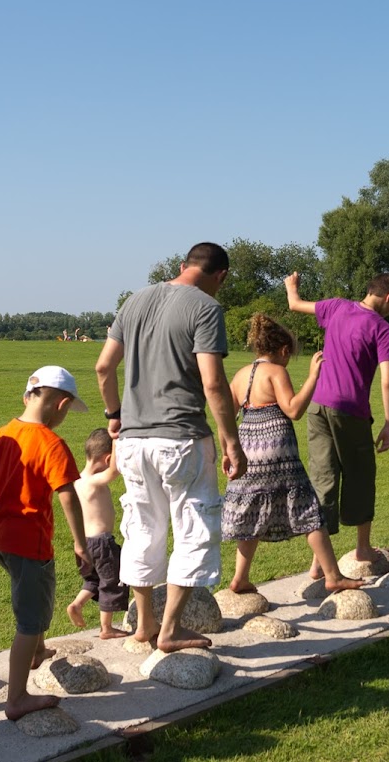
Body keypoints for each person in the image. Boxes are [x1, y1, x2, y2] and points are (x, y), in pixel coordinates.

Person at [96, 242, 246, 654]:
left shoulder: (135, 300)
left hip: (133, 441)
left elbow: (103, 366)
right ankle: (171, 630)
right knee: (194, 530)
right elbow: (213, 383)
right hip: (181, 439)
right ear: (221, 276)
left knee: (142, 530)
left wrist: (115, 412)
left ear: (182, 266)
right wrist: (231, 441)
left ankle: (144, 625)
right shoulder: (205, 307)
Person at [0, 365, 89, 720]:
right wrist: (81, 544)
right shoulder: (51, 443)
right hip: (30, 542)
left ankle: (38, 650)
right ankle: (17, 697)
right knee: (31, 613)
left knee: (28, 594)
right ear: (61, 404)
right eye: (68, 410)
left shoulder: (3, 432)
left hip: (1, 538)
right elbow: (68, 496)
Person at [222, 314, 364, 593]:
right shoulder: (276, 372)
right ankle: (332, 575)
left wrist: (228, 449)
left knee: (252, 510)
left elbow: (225, 415)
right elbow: (294, 410)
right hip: (276, 446)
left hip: (247, 447)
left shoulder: (240, 375)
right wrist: (313, 377)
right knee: (307, 508)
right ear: (284, 350)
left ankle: (240, 577)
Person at [284, 270, 389, 571]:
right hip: (351, 410)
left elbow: (295, 304)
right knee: (361, 474)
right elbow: (387, 380)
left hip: (318, 405)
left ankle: (318, 562)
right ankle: (362, 548)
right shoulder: (383, 328)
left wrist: (291, 286)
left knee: (323, 478)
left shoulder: (336, 306)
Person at [66, 429, 129, 639]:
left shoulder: (77, 481)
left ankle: (77, 604)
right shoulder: (93, 482)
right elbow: (113, 472)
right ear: (108, 458)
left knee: (93, 581)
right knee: (111, 582)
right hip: (102, 543)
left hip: (84, 544)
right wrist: (118, 441)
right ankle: (107, 628)